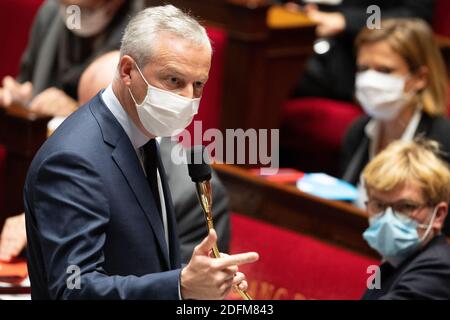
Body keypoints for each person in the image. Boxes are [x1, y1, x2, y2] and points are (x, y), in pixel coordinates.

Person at [23, 5, 258, 299]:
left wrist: (198, 279)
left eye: (198, 85)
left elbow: (140, 264)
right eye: (173, 80)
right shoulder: (74, 160)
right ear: (127, 71)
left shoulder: (142, 135)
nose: (187, 99)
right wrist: (179, 285)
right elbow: (72, 289)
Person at [0, 51, 231, 264]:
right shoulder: (76, 160)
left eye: (101, 111)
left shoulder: (191, 191)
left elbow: (185, 289)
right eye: (82, 110)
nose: (88, 123)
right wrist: (45, 222)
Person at [339, 18, 450, 234]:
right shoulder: (358, 131)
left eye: (384, 70)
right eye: (363, 68)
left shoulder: (445, 142)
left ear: (419, 78)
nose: (370, 80)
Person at [0, 0, 144, 116]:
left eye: (87, 10)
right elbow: (28, 82)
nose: (74, 13)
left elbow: (134, 125)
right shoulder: (51, 11)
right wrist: (22, 100)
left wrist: (75, 114)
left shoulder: (143, 33)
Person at [282, 0, 434, 102]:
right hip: (304, 42)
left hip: (351, 59)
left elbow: (413, 15)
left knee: (270, 76)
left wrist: (345, 21)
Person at [361, 139, 450, 300]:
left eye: (406, 207)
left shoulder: (440, 270)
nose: (388, 219)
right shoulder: (389, 265)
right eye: (379, 205)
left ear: (438, 215)